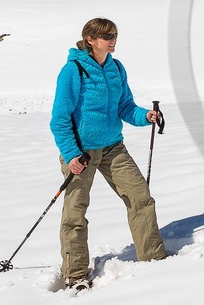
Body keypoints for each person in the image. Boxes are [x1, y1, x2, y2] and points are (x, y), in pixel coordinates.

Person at [49, 18, 166, 292]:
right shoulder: (73, 70)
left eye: (114, 35)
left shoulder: (116, 67)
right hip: (81, 152)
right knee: (75, 213)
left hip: (113, 147)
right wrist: (71, 154)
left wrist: (145, 116)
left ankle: (154, 259)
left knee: (140, 197)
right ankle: (75, 274)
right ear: (90, 39)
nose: (112, 40)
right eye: (106, 36)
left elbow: (125, 107)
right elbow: (59, 118)